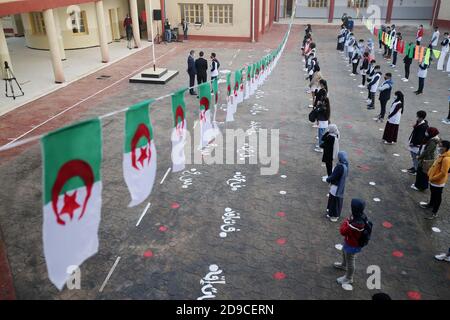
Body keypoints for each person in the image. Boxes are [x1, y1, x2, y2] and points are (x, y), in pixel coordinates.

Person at [334, 199, 368, 286]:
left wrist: (346, 221)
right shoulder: (361, 216)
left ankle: (349, 278)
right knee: (344, 251)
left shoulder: (356, 224)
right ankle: (343, 265)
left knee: (350, 259)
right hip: (350, 241)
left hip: (353, 244)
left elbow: (342, 231)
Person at [419, 140, 450, 219]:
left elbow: (443, 173)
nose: (439, 147)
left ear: (445, 147)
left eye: (441, 146)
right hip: (434, 180)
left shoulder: (446, 159)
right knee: (433, 193)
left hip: (437, 182)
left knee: (437, 197)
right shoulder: (442, 155)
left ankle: (434, 212)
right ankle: (430, 204)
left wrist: (433, 178)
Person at [325, 151, 348, 223]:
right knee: (335, 200)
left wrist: (328, 179)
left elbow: (333, 176)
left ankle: (334, 215)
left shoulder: (339, 167)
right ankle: (334, 214)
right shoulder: (345, 165)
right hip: (340, 186)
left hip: (336, 186)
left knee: (334, 200)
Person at [407, 110, 429, 175]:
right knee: (414, 157)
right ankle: (414, 167)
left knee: (415, 158)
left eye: (418, 117)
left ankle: (416, 170)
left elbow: (419, 137)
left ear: (421, 118)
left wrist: (413, 143)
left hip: (416, 145)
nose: (417, 118)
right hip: (414, 143)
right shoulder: (419, 123)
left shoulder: (423, 126)